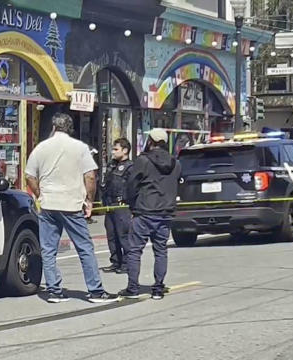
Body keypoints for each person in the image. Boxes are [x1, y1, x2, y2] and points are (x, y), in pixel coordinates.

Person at [25, 113, 120, 304]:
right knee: (85, 248)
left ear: (53, 127)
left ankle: (54, 290)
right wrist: (89, 200)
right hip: (71, 204)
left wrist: (39, 194)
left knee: (48, 250)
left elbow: (30, 176)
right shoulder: (79, 148)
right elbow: (90, 176)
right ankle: (95, 290)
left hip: (49, 203)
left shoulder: (41, 148)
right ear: (70, 129)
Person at [120, 128, 181, 300]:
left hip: (145, 211)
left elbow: (132, 184)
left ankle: (133, 288)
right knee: (161, 250)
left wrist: (130, 204)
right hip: (165, 212)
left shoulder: (143, 161)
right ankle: (158, 288)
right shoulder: (175, 163)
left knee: (134, 251)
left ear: (151, 141)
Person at [100, 138, 133, 274]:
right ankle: (116, 261)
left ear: (125, 151)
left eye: (116, 149)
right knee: (112, 236)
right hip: (110, 204)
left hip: (122, 205)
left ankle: (126, 263)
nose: (113, 152)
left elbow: (133, 187)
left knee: (123, 236)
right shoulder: (112, 165)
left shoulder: (130, 167)